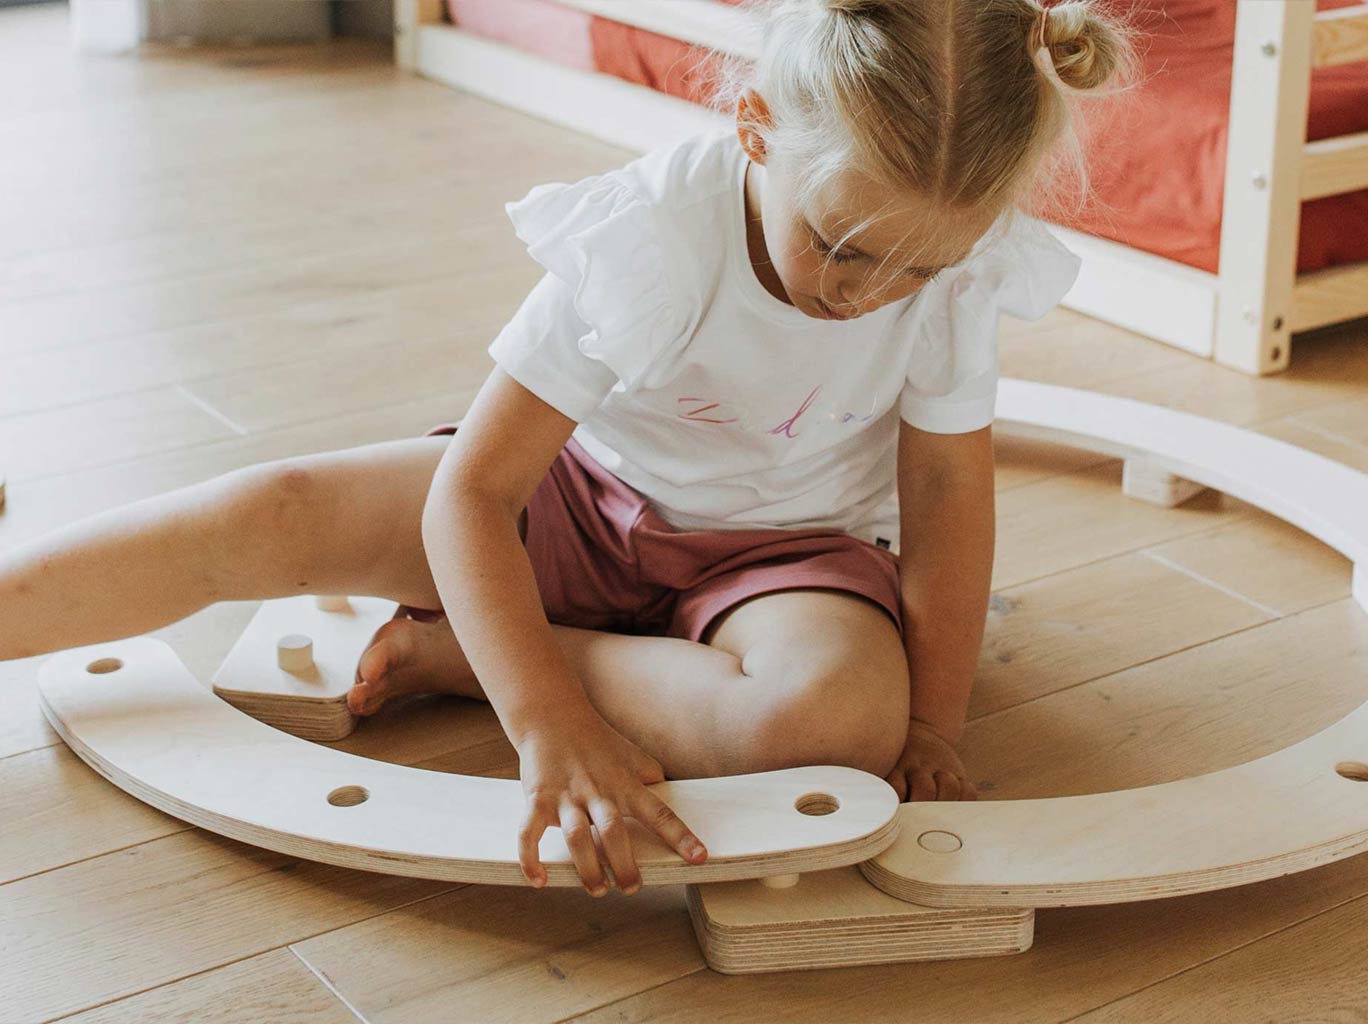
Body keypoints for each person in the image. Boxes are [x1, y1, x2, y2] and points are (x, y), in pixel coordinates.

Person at [0, 0, 1139, 899]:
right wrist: (547, 727)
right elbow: (474, 494)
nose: (873, 294)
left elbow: (946, 495)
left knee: (834, 725)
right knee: (274, 508)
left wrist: (934, 721)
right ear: (754, 133)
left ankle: (470, 655)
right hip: (575, 500)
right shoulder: (651, 233)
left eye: (920, 269)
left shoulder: (953, 267)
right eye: (841, 248)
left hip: (787, 558)